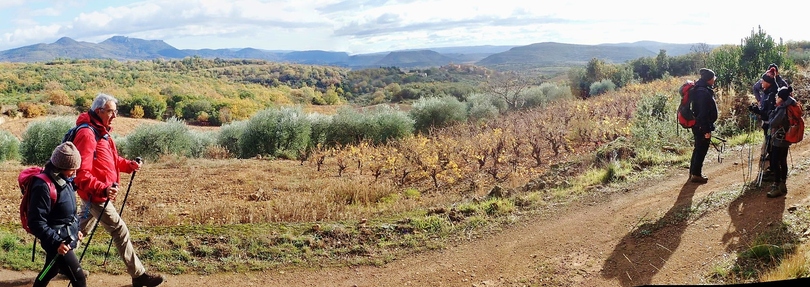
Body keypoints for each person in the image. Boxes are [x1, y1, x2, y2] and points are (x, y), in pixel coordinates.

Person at [72, 93, 164, 287]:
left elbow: (111, 161)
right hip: (96, 195)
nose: (115, 116)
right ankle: (138, 275)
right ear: (99, 111)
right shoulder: (88, 134)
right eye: (112, 112)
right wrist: (103, 189)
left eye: (115, 112)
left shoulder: (101, 131)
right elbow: (81, 173)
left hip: (95, 194)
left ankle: (63, 264)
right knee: (120, 230)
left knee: (79, 230)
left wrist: (129, 165)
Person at [28, 142, 86, 287]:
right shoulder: (42, 186)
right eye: (72, 169)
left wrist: (76, 229)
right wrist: (56, 242)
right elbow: (35, 222)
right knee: (79, 278)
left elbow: (69, 213)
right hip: (56, 241)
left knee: (51, 270)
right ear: (61, 167)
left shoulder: (65, 180)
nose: (74, 172)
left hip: (63, 238)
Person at [688, 68, 719, 183]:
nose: (714, 80)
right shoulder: (703, 92)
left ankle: (693, 172)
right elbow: (703, 113)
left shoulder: (699, 89)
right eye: (713, 78)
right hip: (701, 126)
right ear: (709, 79)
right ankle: (696, 174)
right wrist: (706, 130)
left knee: (698, 148)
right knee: (701, 149)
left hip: (698, 125)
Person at [765, 86, 796, 198]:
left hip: (779, 138)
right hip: (786, 138)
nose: (776, 98)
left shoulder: (782, 109)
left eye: (778, 96)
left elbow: (773, 123)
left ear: (781, 98)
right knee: (783, 160)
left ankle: (776, 186)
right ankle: (783, 183)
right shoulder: (790, 105)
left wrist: (772, 113)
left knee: (775, 162)